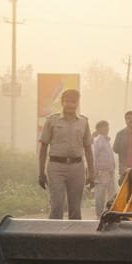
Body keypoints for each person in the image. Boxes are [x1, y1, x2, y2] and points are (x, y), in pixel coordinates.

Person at [38, 89, 94, 220]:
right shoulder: (52, 121)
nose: (70, 105)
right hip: (56, 167)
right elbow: (43, 147)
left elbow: (88, 149)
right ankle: (53, 239)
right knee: (57, 206)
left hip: (77, 167)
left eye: (73, 102)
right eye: (67, 101)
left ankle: (73, 239)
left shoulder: (83, 122)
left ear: (77, 103)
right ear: (62, 102)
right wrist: (41, 173)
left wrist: (91, 173)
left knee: (75, 209)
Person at [92, 120, 115, 213]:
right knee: (100, 194)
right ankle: (99, 213)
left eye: (107, 126)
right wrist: (95, 171)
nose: (107, 128)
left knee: (111, 193)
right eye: (104, 127)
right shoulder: (98, 140)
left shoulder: (106, 140)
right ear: (98, 129)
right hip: (101, 171)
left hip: (109, 171)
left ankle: (108, 212)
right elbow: (94, 156)